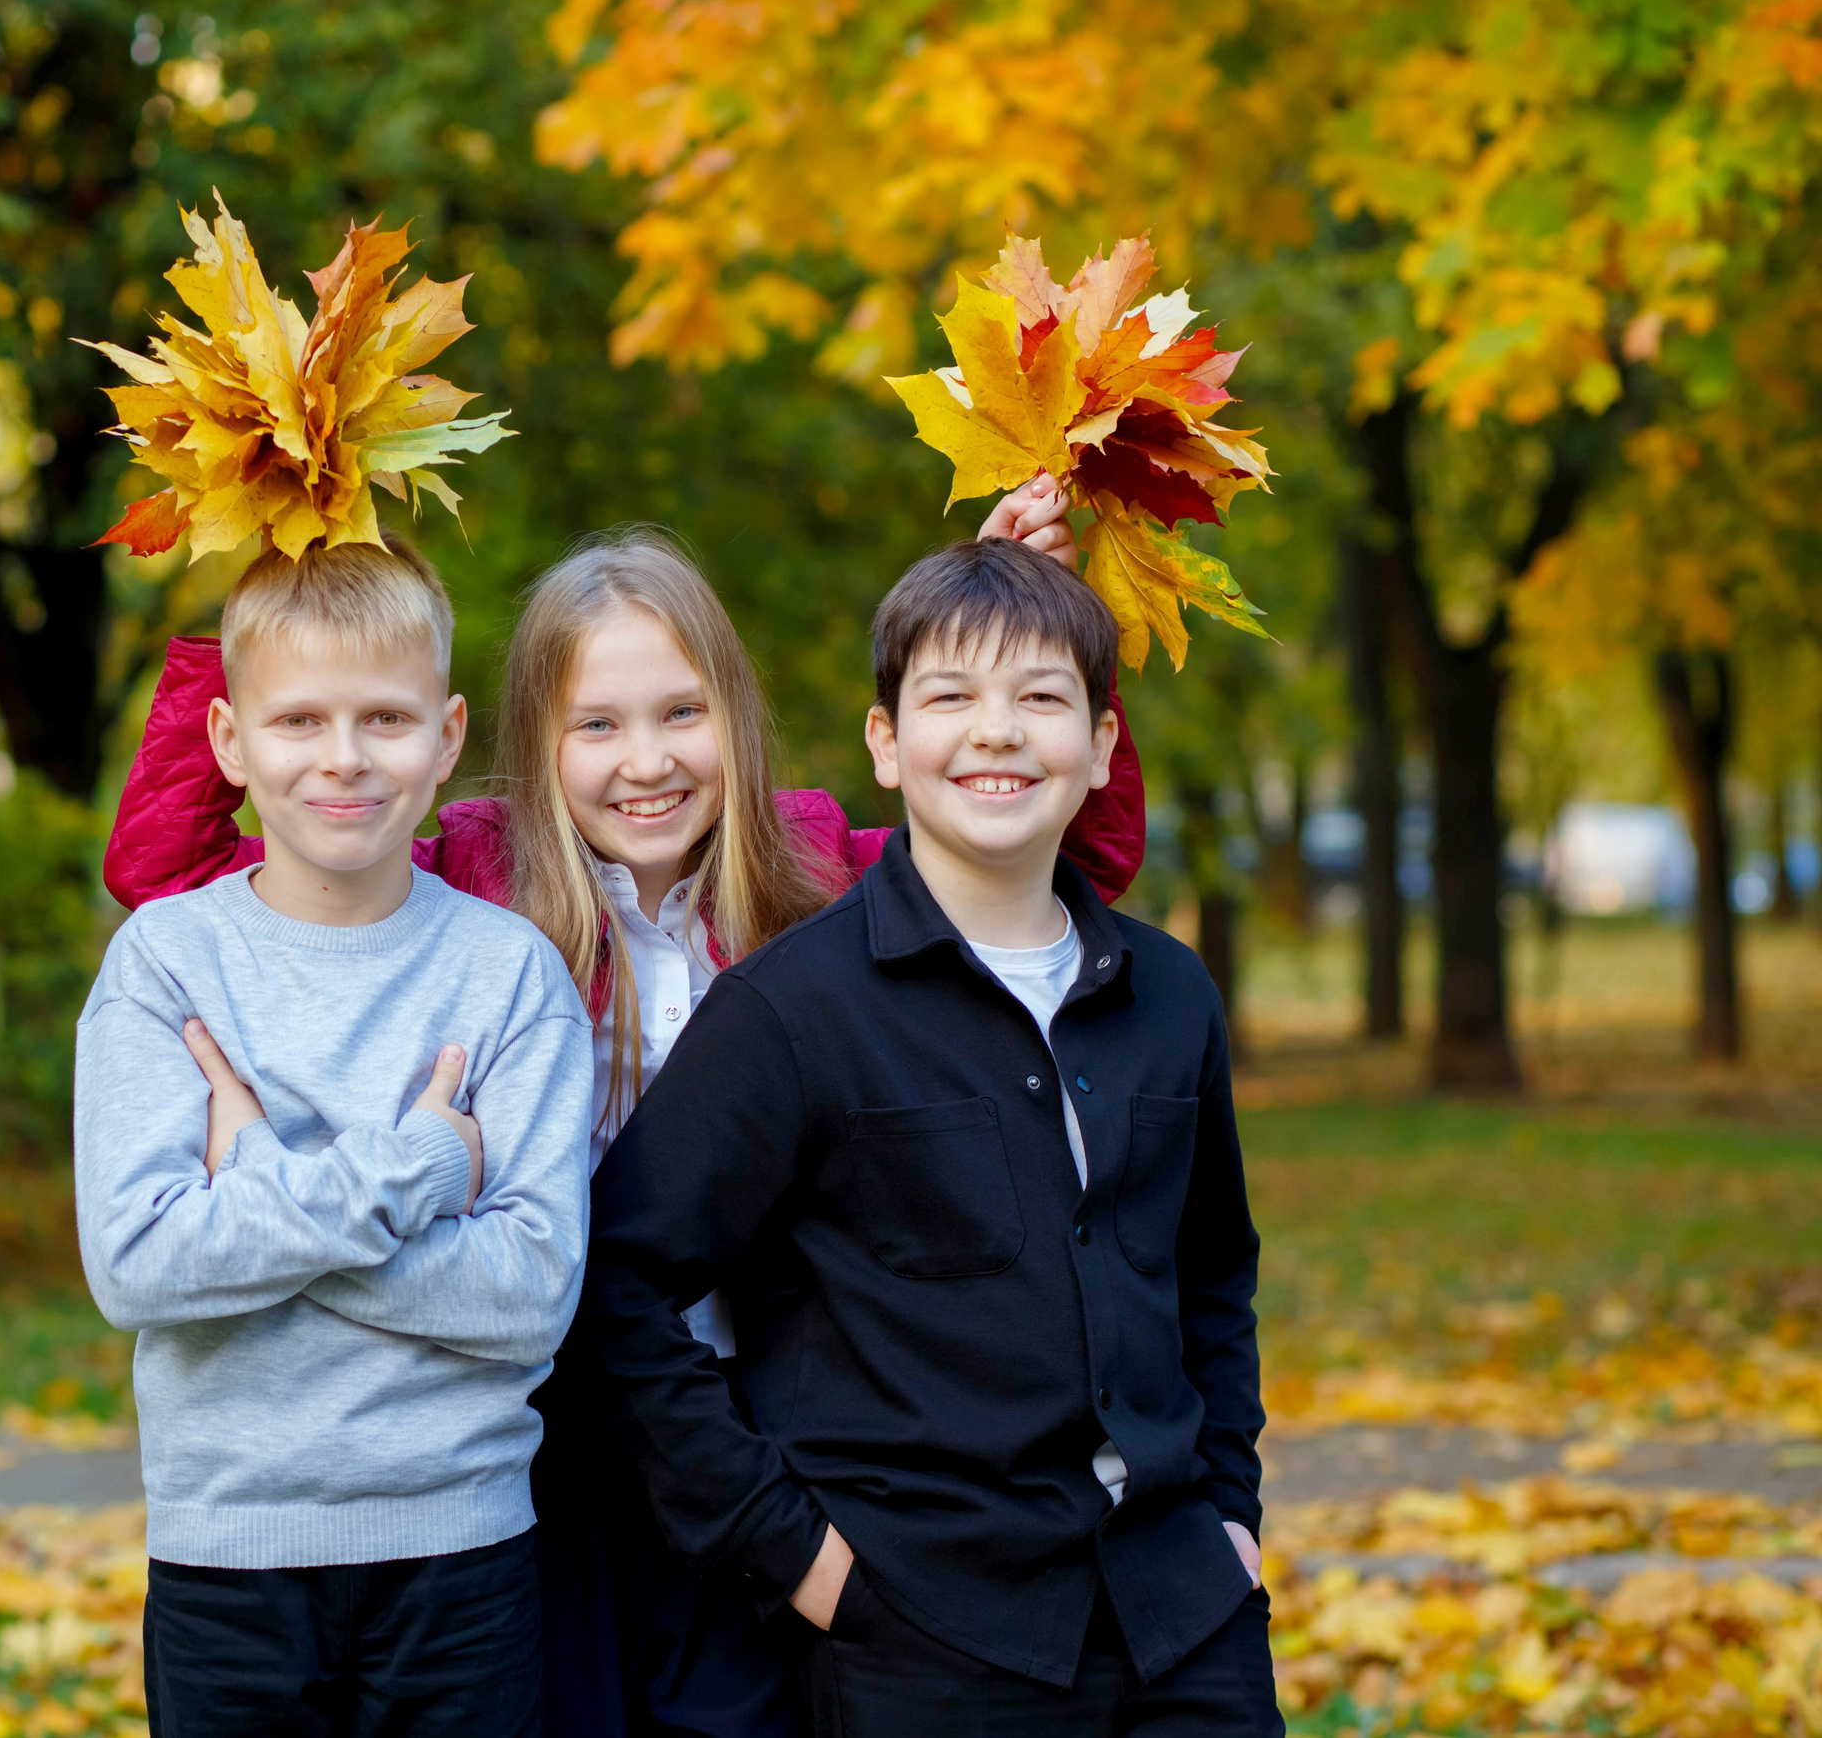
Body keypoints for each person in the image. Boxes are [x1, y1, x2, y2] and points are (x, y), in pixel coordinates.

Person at [99, 484, 1150, 1736]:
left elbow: (1065, 861)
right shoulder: (471, 882)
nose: (644, 761)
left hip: (755, 1416)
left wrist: (1007, 636)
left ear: (735, 720)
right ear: (525, 740)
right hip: (529, 1423)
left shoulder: (818, 873)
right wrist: (281, 605)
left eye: (681, 715)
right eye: (595, 724)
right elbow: (173, 870)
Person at [580, 536, 1279, 1737]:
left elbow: (1211, 1269)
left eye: (1042, 698)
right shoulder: (791, 1011)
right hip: (922, 1629)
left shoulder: (1171, 996)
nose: (997, 732)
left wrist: (1229, 1505)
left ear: (1103, 743)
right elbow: (614, 1289)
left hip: (1185, 1616)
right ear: (885, 744)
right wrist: (793, 1554)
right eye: (950, 697)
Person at [73, 542, 595, 1738]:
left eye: (385, 718)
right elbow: (140, 1266)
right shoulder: (166, 966)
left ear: (449, 733)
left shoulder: (508, 974)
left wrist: (255, 1189)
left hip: (461, 1550)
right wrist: (410, 1172)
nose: (343, 758)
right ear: (228, 742)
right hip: (227, 1555)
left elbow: (528, 1297)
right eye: (298, 719)